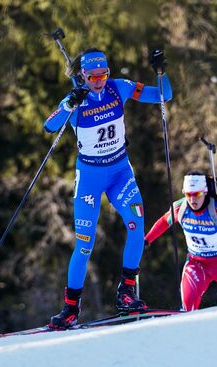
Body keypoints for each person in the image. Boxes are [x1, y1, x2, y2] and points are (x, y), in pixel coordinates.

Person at [44, 48, 173, 328]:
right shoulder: (75, 100)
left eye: (102, 74)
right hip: (89, 177)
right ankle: (69, 309)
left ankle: (126, 293)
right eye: (92, 77)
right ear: (83, 76)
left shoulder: (119, 88)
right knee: (84, 245)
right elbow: (49, 126)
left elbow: (164, 95)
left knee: (136, 224)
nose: (98, 81)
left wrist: (161, 73)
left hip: (119, 172)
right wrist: (68, 106)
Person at [144, 172, 217, 311]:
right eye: (188, 194)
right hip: (196, 264)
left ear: (205, 192)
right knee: (187, 309)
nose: (192, 199)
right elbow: (164, 222)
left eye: (197, 194)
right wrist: (146, 240)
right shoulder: (180, 208)